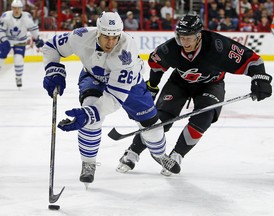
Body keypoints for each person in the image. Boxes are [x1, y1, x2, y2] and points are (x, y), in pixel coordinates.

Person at [117, 13, 272, 176]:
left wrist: (260, 78)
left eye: (189, 38)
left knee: (203, 118)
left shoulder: (218, 46)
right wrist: (152, 85)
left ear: (199, 36)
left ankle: (177, 155)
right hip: (179, 83)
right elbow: (156, 63)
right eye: (181, 37)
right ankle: (132, 152)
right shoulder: (171, 48)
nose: (184, 42)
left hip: (211, 85)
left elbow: (252, 60)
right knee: (161, 120)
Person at [42, 12, 180, 187]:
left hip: (130, 85)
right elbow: (52, 46)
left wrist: (89, 114)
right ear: (98, 32)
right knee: (90, 114)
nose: (110, 42)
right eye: (106, 36)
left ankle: (160, 155)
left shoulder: (126, 50)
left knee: (152, 126)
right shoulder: (81, 36)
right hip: (93, 77)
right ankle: (88, 163)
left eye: (115, 37)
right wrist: (53, 68)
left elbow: (114, 98)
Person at [0, 0, 44, 88]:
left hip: (20, 41)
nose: (16, 10)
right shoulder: (5, 16)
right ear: (12, 8)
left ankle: (18, 77)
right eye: (14, 8)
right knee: (0, 59)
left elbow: (33, 29)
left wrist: (37, 39)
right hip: (7, 40)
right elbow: (1, 30)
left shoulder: (27, 17)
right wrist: (4, 40)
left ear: (21, 8)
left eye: (18, 8)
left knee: (19, 59)